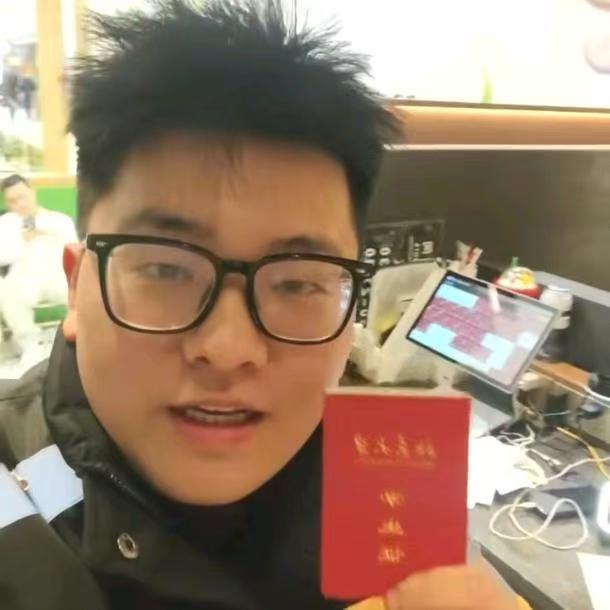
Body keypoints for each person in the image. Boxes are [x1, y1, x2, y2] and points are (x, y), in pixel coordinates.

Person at [0, 2, 527, 609]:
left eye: (299, 283)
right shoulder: (18, 501)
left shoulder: (383, 486)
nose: (229, 349)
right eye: (166, 270)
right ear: (77, 287)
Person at [0, 174, 77, 367]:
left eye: (22, 196)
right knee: (6, 289)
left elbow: (74, 250)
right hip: (25, 280)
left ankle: (82, 338)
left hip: (58, 277)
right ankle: (30, 345)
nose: (19, 204)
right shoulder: (5, 224)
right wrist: (21, 242)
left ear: (32, 193)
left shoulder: (59, 220)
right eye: (12, 200)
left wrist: (49, 234)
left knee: (85, 288)